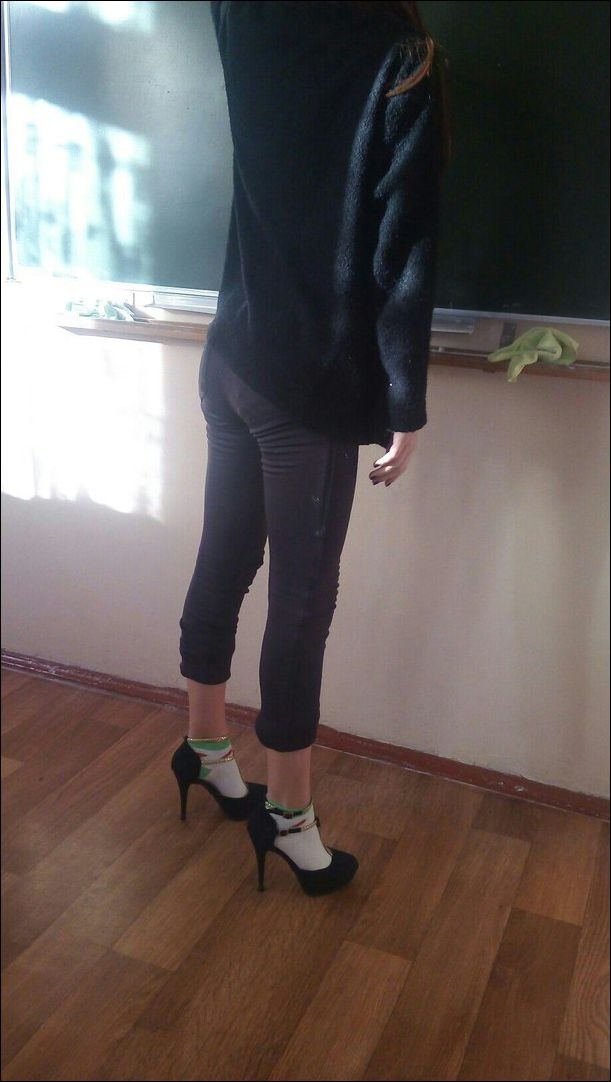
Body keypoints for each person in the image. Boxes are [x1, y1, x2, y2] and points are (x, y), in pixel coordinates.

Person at [171, 0, 450, 896]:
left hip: (230, 354)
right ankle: (289, 818)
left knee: (224, 557)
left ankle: (205, 747)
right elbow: (402, 251)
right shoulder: (401, 59)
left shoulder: (243, 17)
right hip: (309, 381)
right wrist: (405, 402)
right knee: (300, 601)